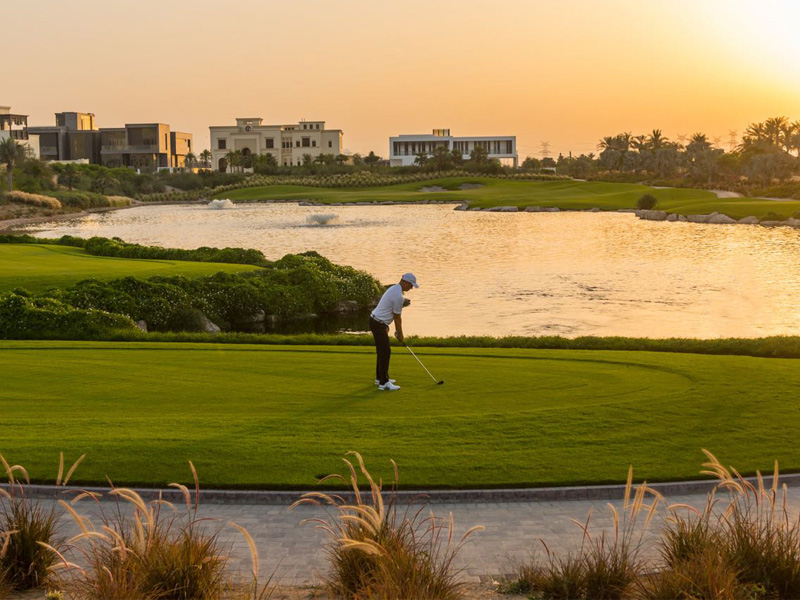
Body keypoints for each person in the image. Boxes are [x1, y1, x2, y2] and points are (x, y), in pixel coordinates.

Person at [369, 273, 418, 391]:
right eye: (411, 285)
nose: (411, 288)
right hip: (378, 323)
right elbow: (397, 318)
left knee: (382, 351)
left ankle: (379, 378)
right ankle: (384, 383)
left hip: (377, 322)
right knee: (385, 352)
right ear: (405, 282)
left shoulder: (394, 288)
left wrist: (387, 326)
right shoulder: (398, 296)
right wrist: (400, 334)